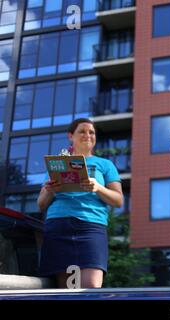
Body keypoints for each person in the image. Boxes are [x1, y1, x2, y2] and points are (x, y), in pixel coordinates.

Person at [37, 118, 123, 288]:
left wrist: (98, 187)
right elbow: (41, 204)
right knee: (67, 288)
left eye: (91, 132)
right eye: (82, 131)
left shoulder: (105, 164)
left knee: (91, 285)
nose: (88, 135)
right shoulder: (57, 164)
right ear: (71, 136)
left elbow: (118, 200)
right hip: (58, 225)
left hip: (91, 226)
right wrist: (50, 189)